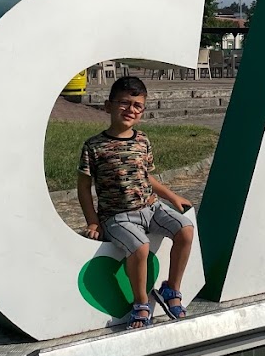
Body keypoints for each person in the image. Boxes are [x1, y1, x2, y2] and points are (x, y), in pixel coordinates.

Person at [77, 75, 195, 329]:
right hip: (117, 216)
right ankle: (141, 302)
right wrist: (93, 222)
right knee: (140, 247)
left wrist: (171, 196)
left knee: (185, 229)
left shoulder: (142, 141)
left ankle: (171, 289)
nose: (130, 109)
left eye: (137, 105)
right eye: (124, 103)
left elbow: (146, 176)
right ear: (108, 106)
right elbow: (84, 187)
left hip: (151, 208)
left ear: (142, 111)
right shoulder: (94, 146)